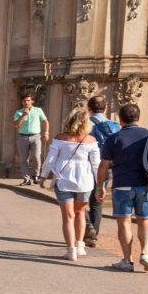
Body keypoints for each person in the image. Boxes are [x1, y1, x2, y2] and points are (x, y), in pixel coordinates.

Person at [95, 103, 148, 272]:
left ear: (120, 119)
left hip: (122, 184)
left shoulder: (114, 138)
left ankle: (127, 260)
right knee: (145, 221)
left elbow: (103, 166)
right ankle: (145, 253)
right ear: (138, 117)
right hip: (146, 184)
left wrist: (99, 187)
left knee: (124, 222)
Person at [38, 109, 100, 261]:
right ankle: (80, 246)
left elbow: (50, 160)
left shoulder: (60, 138)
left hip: (64, 179)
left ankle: (71, 250)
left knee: (68, 216)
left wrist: (43, 176)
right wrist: (100, 183)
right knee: (80, 212)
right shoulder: (91, 140)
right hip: (85, 181)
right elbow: (96, 165)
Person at [84, 95, 120, 248]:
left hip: (87, 166)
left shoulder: (86, 124)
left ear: (89, 108)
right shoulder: (115, 125)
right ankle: (93, 236)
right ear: (105, 108)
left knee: (78, 201)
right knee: (97, 201)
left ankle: (88, 225)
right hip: (107, 167)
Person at [13, 94, 50, 185]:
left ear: (32, 101)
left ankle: (36, 175)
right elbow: (16, 124)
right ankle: (26, 179)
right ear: (22, 102)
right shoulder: (18, 112)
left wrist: (46, 132)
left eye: (28, 100)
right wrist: (23, 115)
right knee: (24, 159)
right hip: (23, 137)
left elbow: (45, 121)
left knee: (37, 156)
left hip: (35, 136)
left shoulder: (38, 110)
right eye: (24, 101)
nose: (26, 102)